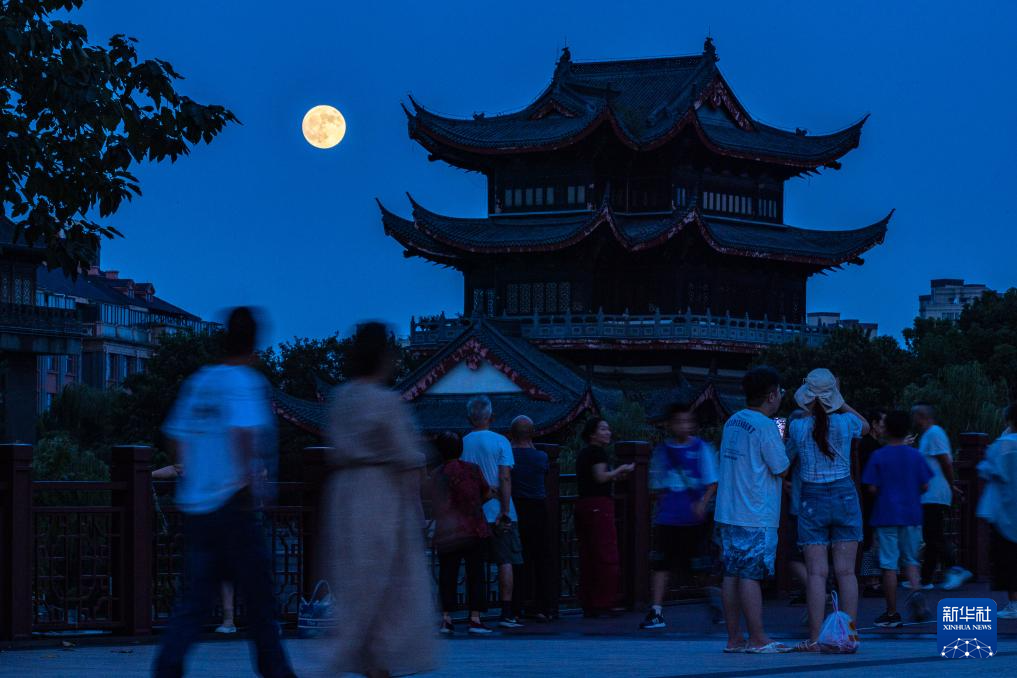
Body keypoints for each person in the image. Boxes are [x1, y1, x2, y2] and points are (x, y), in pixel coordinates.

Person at [153, 307, 296, 678]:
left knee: (197, 598)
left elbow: (174, 434)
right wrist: (255, 482)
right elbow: (243, 432)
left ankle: (168, 664)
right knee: (260, 597)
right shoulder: (245, 382)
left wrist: (196, 473)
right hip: (234, 504)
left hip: (197, 506)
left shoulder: (200, 381)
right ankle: (276, 669)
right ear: (255, 344)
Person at [322, 322, 436, 677]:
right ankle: (379, 660)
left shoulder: (341, 398)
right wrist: (435, 506)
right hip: (380, 495)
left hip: (344, 494)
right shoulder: (386, 402)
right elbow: (410, 455)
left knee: (357, 584)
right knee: (389, 585)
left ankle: (366, 658)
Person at [788, 368, 868, 653]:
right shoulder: (847, 423)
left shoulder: (798, 427)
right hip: (845, 494)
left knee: (816, 574)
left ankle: (814, 638)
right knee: (847, 573)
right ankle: (848, 638)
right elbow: (867, 426)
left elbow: (788, 460)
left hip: (812, 498)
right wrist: (840, 400)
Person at [715, 366, 790, 654]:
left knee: (731, 574)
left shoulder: (732, 421)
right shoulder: (765, 426)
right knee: (749, 575)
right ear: (771, 395)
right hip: (755, 511)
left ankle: (734, 638)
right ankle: (758, 637)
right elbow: (781, 468)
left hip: (728, 509)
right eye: (780, 392)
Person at [640, 402, 717, 630]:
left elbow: (712, 481)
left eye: (687, 421)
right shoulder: (663, 451)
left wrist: (702, 503)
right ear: (671, 424)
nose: (684, 426)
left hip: (693, 518)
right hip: (668, 517)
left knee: (700, 566)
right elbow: (656, 484)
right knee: (661, 564)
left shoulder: (702, 448)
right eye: (679, 421)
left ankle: (714, 601)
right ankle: (656, 611)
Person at [862, 411, 933, 627]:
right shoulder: (915, 455)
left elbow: (871, 487)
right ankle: (916, 591)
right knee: (911, 560)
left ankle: (891, 613)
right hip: (911, 515)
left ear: (887, 429)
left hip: (886, 515)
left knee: (888, 564)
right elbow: (925, 485)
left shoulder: (879, 456)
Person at [461, 395, 525, 629]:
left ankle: (474, 613)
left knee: (475, 564)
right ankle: (506, 612)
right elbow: (505, 475)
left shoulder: (463, 442)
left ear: (470, 418)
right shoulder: (501, 441)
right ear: (491, 417)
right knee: (505, 560)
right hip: (500, 508)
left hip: (474, 511)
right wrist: (505, 510)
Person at [151, 464, 238, 634]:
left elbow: (177, 469)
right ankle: (227, 620)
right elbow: (177, 469)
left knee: (221, 572)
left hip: (220, 521)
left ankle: (227, 620)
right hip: (218, 521)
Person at [431, 431, 494, 635]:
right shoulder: (473, 470)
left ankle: (446, 618)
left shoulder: (438, 474)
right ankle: (475, 618)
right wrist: (474, 506)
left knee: (447, 574)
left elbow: (435, 502)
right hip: (474, 527)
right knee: (475, 573)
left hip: (448, 531)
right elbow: (486, 493)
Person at [575, 417, 634, 617]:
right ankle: (603, 602)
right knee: (605, 554)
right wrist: (620, 470)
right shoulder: (596, 452)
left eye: (608, 429)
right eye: (603, 429)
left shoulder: (584, 453)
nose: (607, 432)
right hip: (598, 506)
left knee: (588, 555)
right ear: (592, 434)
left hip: (584, 505)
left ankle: (589, 602)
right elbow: (600, 477)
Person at [912, 403, 973, 590]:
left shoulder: (934, 433)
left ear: (921, 416)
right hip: (931, 493)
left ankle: (956, 569)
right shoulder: (929, 435)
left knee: (934, 535)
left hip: (934, 493)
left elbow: (946, 461)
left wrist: (951, 484)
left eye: (915, 417)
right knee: (931, 536)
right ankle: (926, 579)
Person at [509, 415, 555, 621]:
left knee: (518, 557)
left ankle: (516, 605)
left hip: (516, 508)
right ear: (532, 433)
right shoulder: (541, 457)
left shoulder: (508, 456)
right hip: (538, 508)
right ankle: (543, 606)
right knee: (542, 558)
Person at [976, 405, 1017, 619]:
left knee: (1010, 558)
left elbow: (985, 469)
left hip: (1006, 512)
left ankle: (1014, 603)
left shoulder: (1003, 446)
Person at [782, 409, 810, 612]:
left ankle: (817, 591)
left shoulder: (798, 437)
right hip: (828, 502)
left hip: (801, 506)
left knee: (792, 556)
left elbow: (780, 464)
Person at [857, 411, 887, 597]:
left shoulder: (870, 445)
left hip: (869, 498)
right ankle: (870, 581)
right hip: (870, 499)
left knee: (872, 540)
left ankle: (873, 580)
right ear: (874, 424)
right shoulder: (870, 446)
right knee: (871, 541)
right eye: (882, 423)